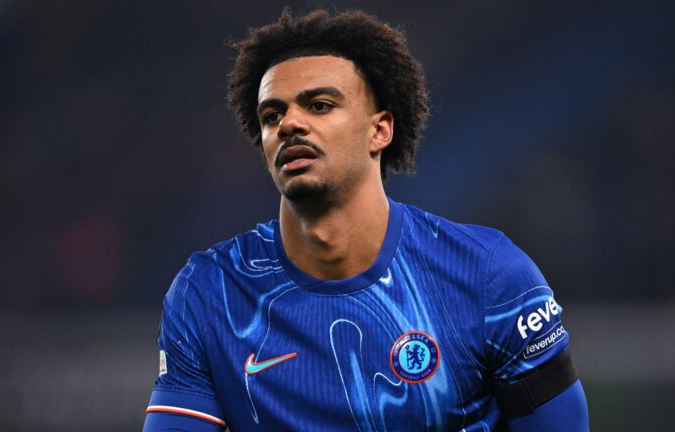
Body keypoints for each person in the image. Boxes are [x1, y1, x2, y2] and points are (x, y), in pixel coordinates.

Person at [143, 9, 588, 432]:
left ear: (380, 130)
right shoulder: (210, 293)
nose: (289, 124)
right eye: (271, 115)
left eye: (319, 105)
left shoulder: (488, 276)